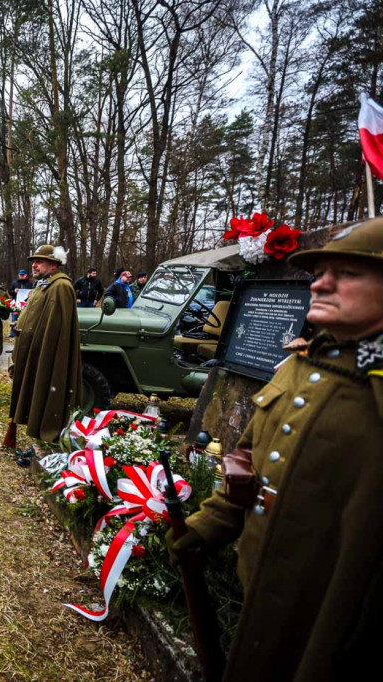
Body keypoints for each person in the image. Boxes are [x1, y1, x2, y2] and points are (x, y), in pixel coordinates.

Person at [166, 218, 383, 682]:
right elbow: (252, 461)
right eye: (320, 271)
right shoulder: (305, 362)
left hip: (329, 636)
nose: (320, 283)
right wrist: (208, 526)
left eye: (346, 273)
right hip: (263, 599)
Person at [8, 245, 81, 467]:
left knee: (47, 392)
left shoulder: (61, 287)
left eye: (39, 261)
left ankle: (47, 443)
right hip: (35, 352)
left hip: (47, 354)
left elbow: (57, 329)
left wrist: (44, 351)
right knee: (34, 393)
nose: (34, 264)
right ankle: (39, 441)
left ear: (54, 264)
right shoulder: (45, 285)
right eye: (34, 261)